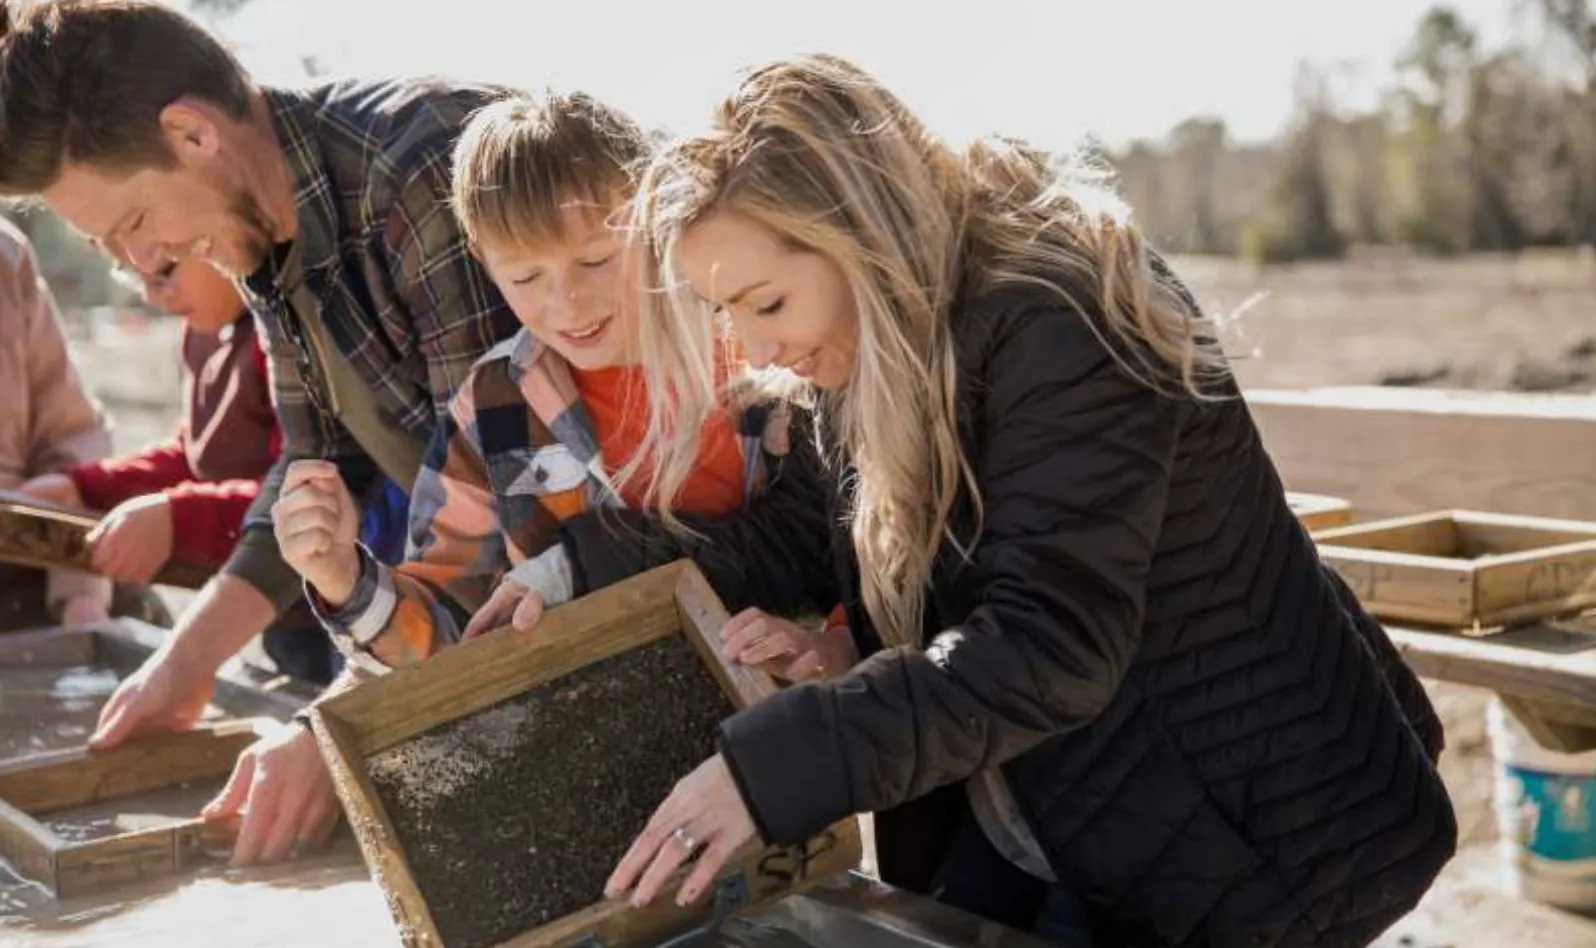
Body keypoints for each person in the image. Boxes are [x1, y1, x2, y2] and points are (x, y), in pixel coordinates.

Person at [509, 55, 1458, 947]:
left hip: (1251, 840)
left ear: (859, 234)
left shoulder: (1060, 319)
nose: (757, 354)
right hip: (1056, 817)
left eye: (765, 305)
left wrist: (769, 773)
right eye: (730, 317)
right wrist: (574, 570)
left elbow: (1051, 644)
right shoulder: (872, 341)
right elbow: (804, 527)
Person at [0, 0, 518, 866]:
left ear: (192, 134)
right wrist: (188, 659)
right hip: (470, 630)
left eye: (132, 225)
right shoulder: (261, 233)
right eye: (110, 247)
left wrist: (339, 720)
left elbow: (501, 504)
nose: (147, 262)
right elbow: (315, 472)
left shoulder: (421, 169)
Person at [273, 91, 840, 681]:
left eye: (595, 261)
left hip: (779, 706)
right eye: (524, 276)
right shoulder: (491, 407)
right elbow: (454, 642)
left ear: (651, 216)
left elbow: (832, 542)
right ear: (482, 260)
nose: (566, 302)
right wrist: (342, 578)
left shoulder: (756, 351)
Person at [18, 252, 403, 686]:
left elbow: (297, 486)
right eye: (132, 278)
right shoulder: (201, 334)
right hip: (275, 616)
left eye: (164, 271)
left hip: (333, 603)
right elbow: (195, 453)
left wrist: (178, 519)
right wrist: (86, 487)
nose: (151, 294)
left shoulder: (280, 340)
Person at [0, 215, 115, 630]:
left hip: (16, 554)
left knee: (134, 613)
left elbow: (70, 437)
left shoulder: (6, 257)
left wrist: (80, 599)